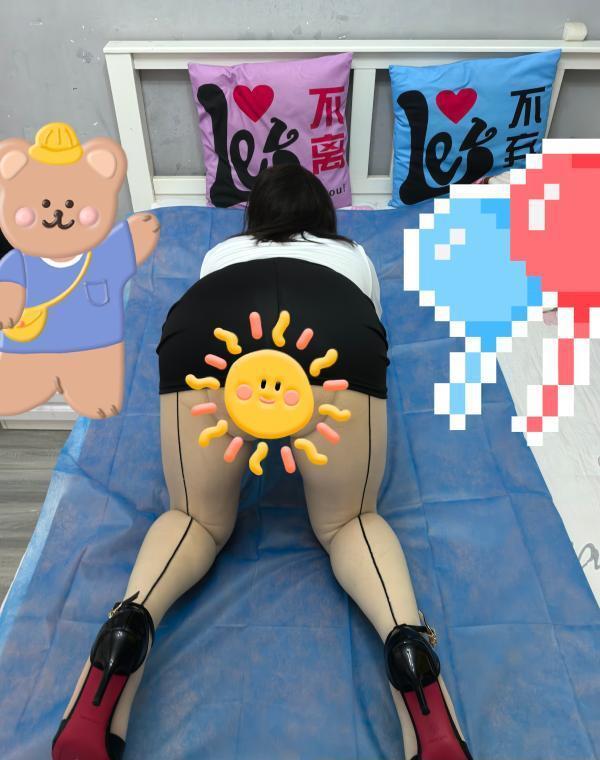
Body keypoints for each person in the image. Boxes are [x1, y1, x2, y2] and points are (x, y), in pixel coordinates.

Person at [52, 165, 473, 760]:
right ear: (324, 218)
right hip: (331, 335)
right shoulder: (354, 257)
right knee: (350, 522)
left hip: (213, 336)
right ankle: (411, 653)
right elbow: (376, 335)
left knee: (195, 519)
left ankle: (126, 630)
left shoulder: (220, 254)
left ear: (254, 218)